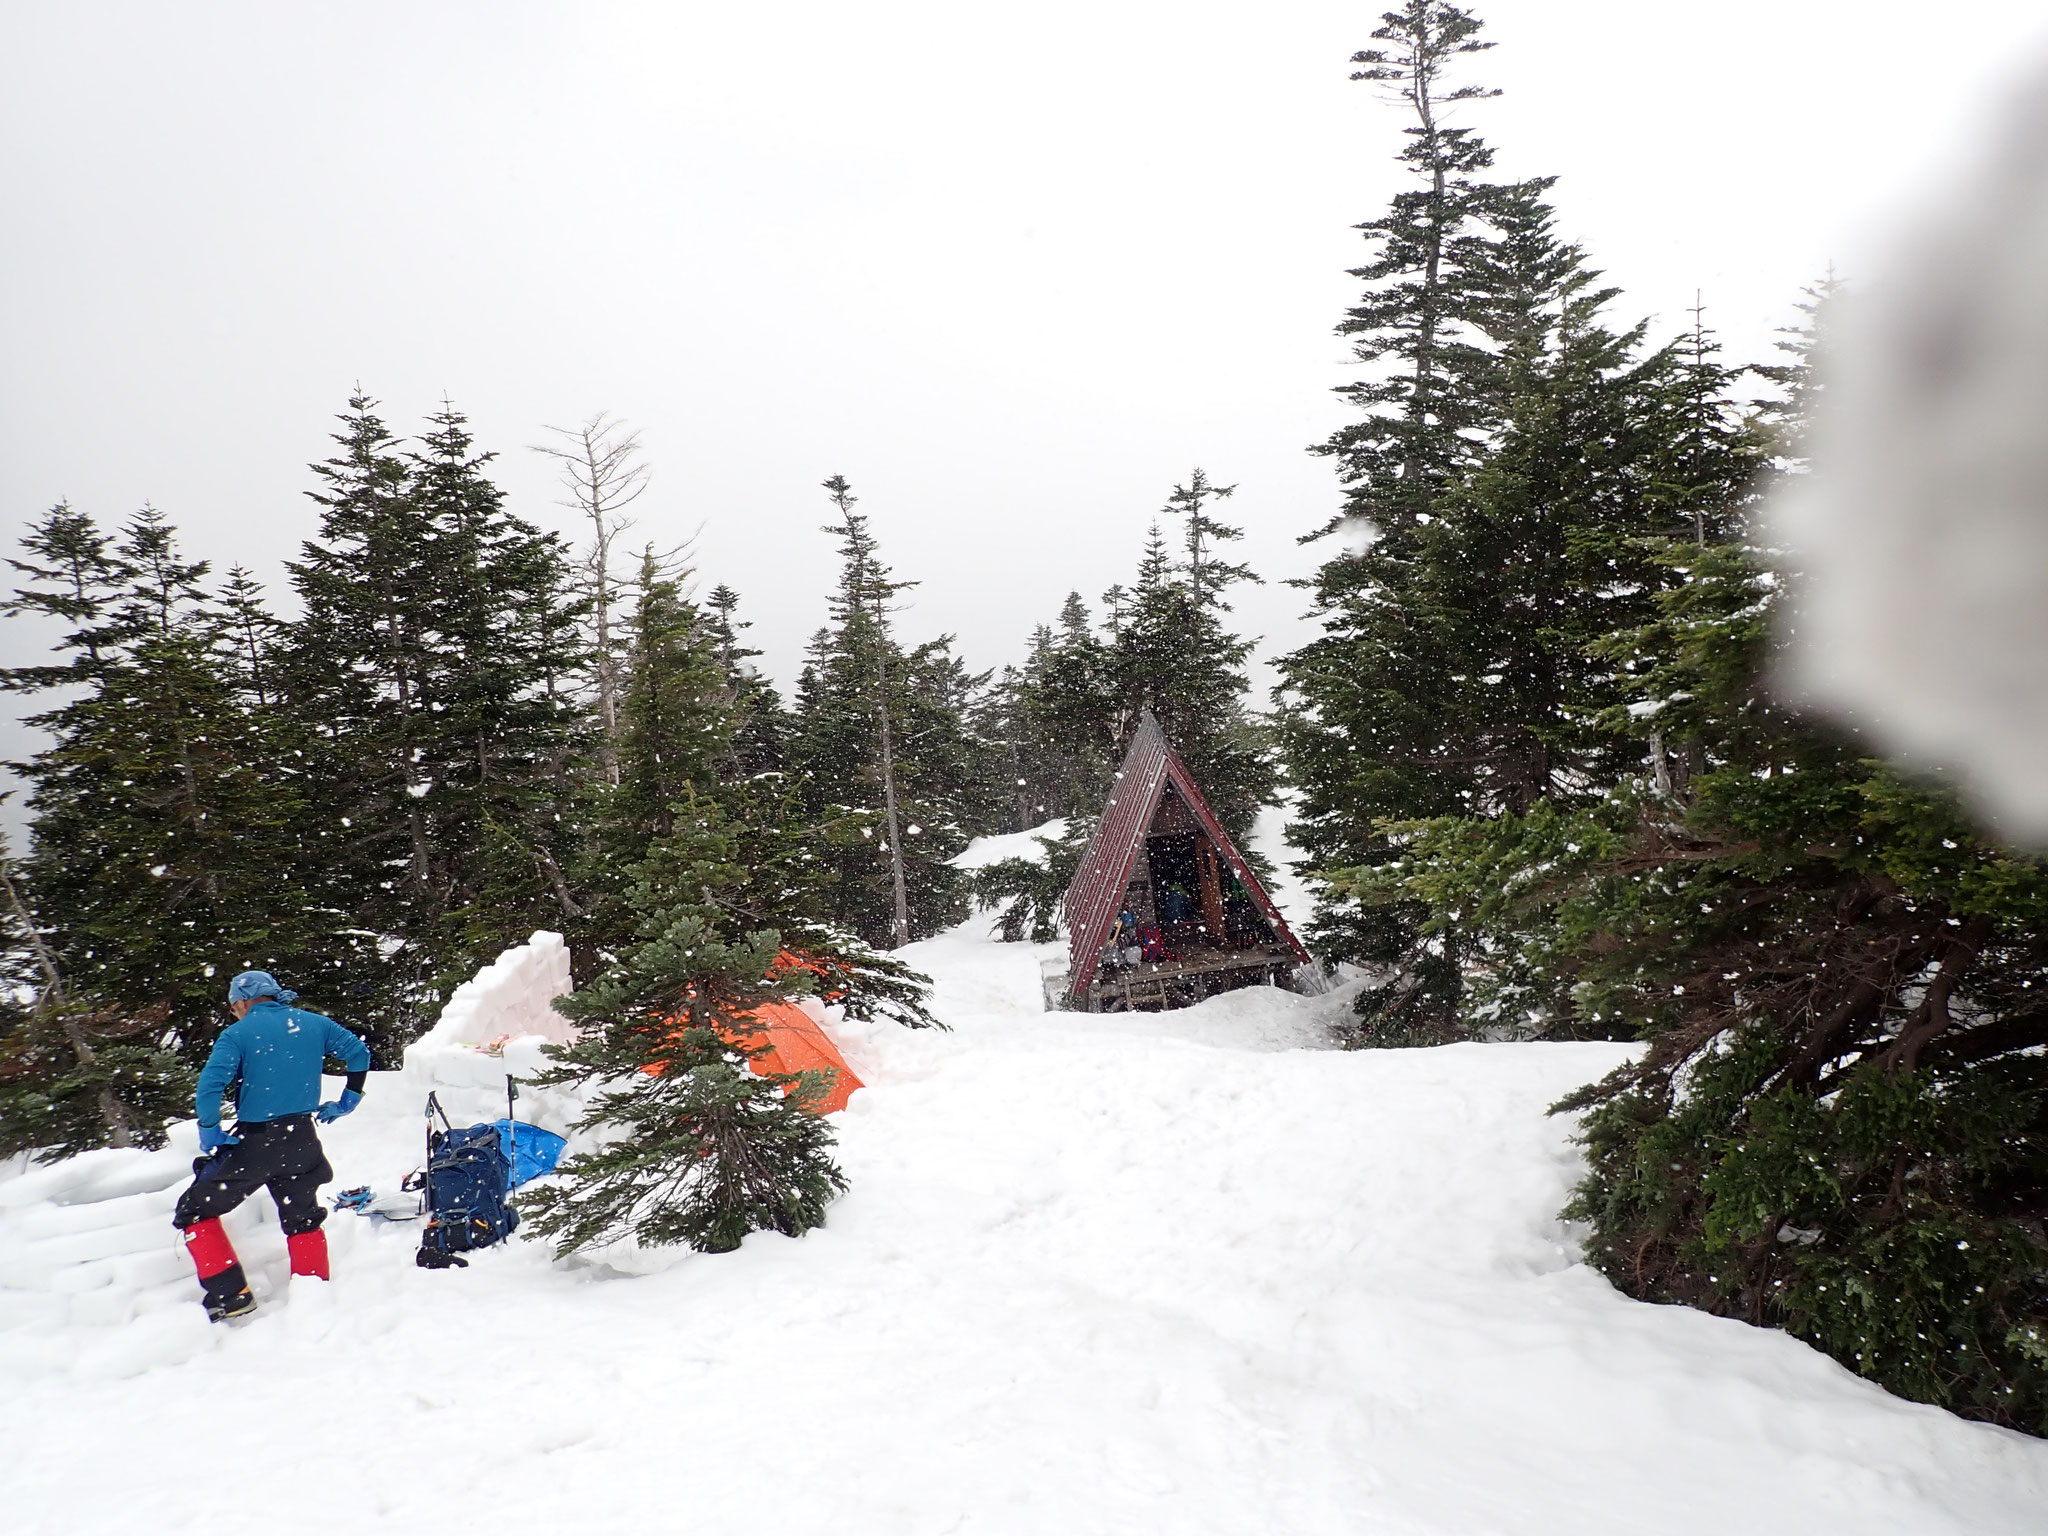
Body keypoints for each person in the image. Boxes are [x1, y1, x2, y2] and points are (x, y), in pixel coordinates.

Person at [172, 970, 371, 1322]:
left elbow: (209, 1087)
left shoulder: (237, 1034)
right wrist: (347, 1101)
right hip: (302, 1140)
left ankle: (231, 1295)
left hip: (256, 1143)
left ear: (242, 1002)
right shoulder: (314, 1023)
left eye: (234, 1007)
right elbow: (359, 1053)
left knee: (193, 1209)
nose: (235, 1013)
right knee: (302, 1214)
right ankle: (314, 1289)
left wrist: (210, 1131)